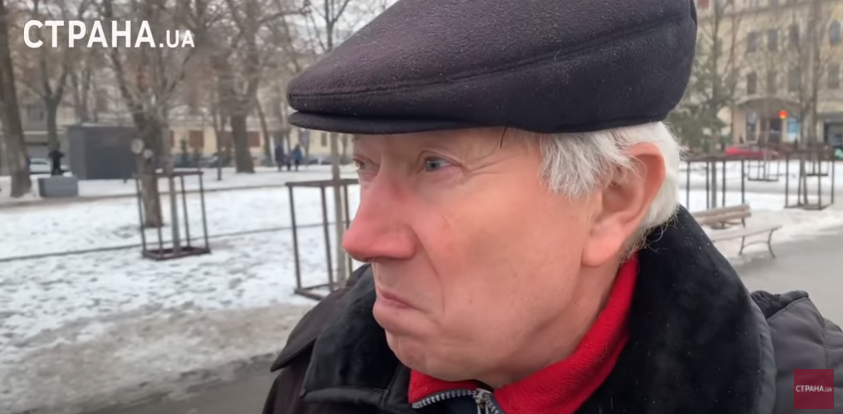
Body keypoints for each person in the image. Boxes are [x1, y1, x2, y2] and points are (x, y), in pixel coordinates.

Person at [263, 1, 843, 414]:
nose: (360, 239)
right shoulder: (317, 368)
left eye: (434, 164)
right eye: (365, 166)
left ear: (612, 198)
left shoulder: (811, 390)